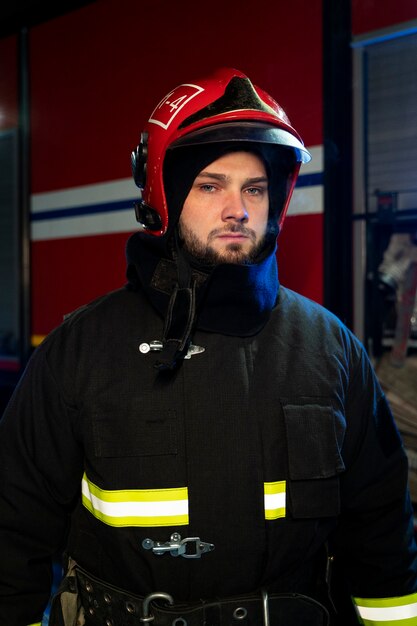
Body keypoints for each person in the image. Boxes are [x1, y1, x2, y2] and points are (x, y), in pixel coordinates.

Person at [0, 67, 416, 626]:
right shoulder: (79, 351)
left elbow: (382, 540)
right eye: (210, 185)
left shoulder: (331, 350)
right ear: (164, 193)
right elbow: (11, 540)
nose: (237, 209)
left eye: (254, 189)